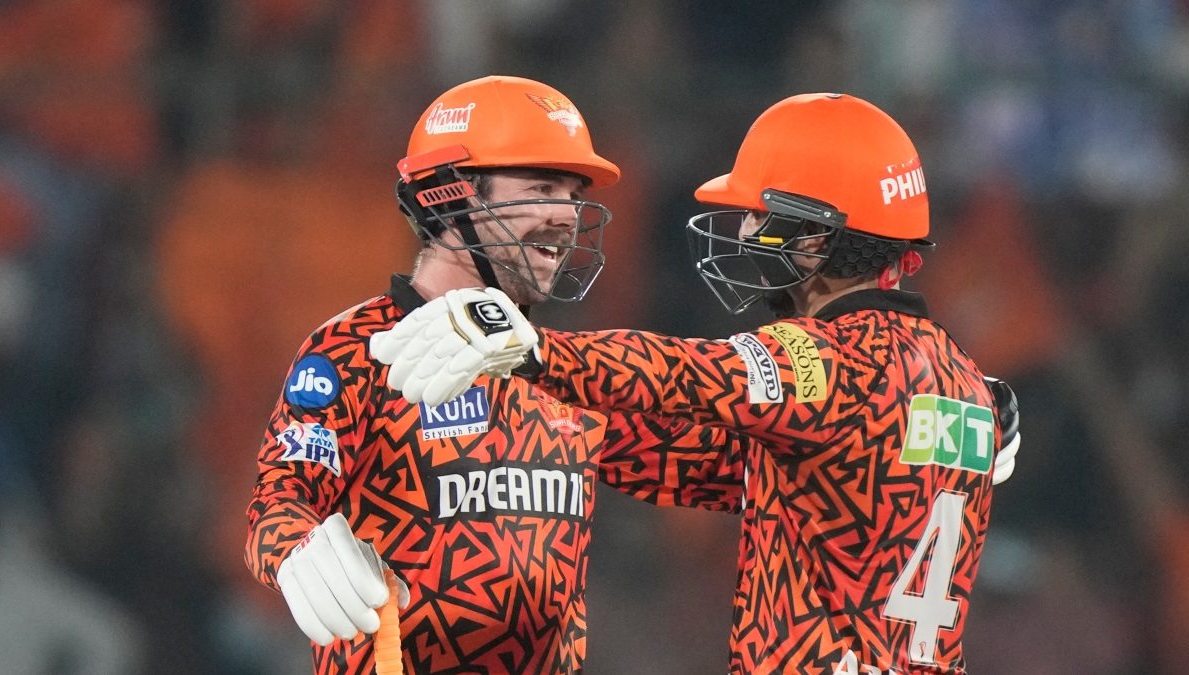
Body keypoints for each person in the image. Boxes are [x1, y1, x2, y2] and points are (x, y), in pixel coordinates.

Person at [373, 93, 1021, 674]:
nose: (743, 234)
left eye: (761, 217)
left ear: (820, 235)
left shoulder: (824, 361)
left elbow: (682, 374)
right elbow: (704, 465)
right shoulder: (960, 377)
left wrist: (537, 350)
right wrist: (540, 414)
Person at [244, 75, 753, 675]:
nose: (566, 216)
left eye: (571, 193)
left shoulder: (561, 372)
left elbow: (723, 475)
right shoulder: (358, 350)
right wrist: (295, 552)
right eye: (540, 187)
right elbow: (278, 501)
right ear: (450, 198)